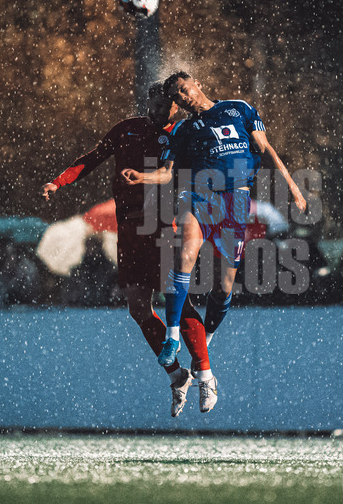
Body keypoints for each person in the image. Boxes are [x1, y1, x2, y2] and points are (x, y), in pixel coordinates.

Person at [123, 71, 307, 413]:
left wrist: (293, 187)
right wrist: (142, 176)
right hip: (200, 196)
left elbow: (266, 150)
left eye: (183, 89)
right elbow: (167, 172)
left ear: (198, 84)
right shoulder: (184, 129)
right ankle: (173, 335)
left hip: (236, 201)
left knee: (223, 287)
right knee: (184, 256)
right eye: (177, 97)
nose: (183, 97)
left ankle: (203, 343)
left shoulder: (238, 109)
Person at [41, 83, 208, 417]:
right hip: (128, 230)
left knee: (176, 298)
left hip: (162, 226)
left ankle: (204, 372)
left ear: (175, 107)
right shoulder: (126, 129)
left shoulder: (180, 134)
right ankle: (177, 375)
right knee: (138, 308)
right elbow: (91, 159)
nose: (157, 111)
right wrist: (58, 181)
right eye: (154, 104)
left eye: (164, 106)